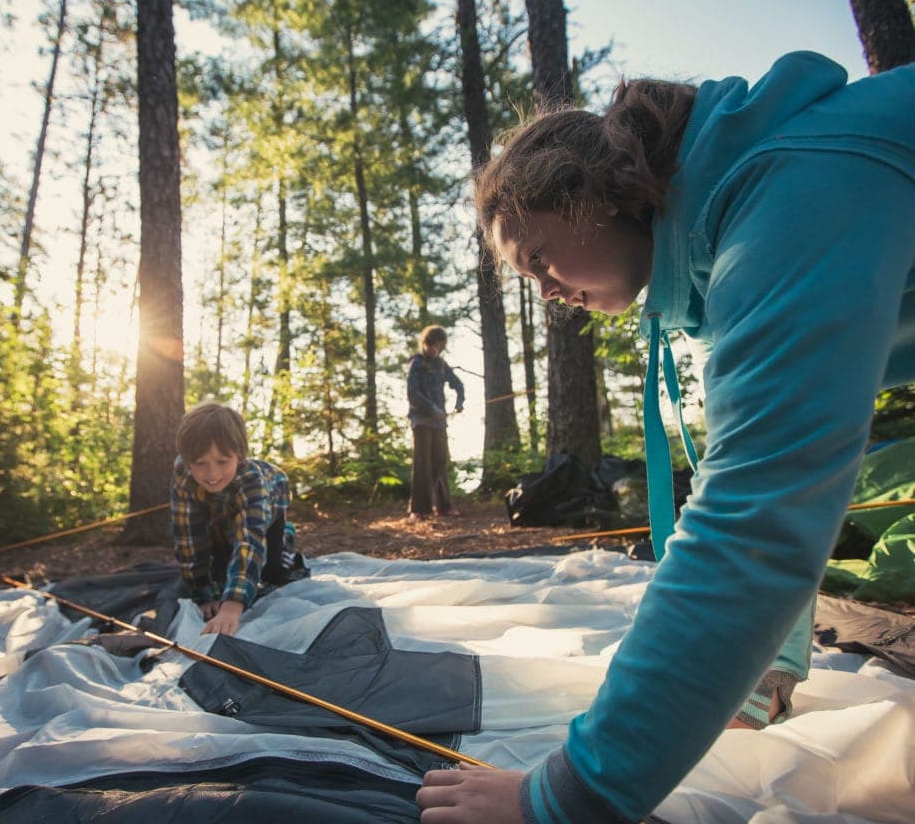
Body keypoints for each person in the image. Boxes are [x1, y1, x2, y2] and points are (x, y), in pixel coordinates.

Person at [417, 52, 915, 823]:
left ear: (594, 195)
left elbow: (753, 520)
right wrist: (767, 669)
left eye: (539, 258)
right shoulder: (751, 213)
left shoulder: (787, 197)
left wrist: (563, 796)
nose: (546, 291)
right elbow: (785, 473)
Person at [170, 402, 304, 637]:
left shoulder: (252, 481)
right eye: (200, 463)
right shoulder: (183, 473)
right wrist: (203, 591)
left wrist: (232, 606)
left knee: (272, 573)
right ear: (187, 459)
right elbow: (187, 534)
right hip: (218, 512)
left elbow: (249, 541)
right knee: (220, 569)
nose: (212, 474)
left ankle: (286, 538)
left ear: (239, 456)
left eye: (222, 462)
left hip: (267, 511)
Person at [406, 325, 465, 522]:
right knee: (422, 464)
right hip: (421, 421)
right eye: (433, 345)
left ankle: (444, 506)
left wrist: (459, 403)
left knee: (440, 461)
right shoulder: (416, 363)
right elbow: (412, 393)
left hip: (439, 424)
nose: (435, 350)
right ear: (426, 343)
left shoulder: (441, 364)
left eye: (440, 347)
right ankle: (419, 510)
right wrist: (432, 409)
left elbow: (458, 385)